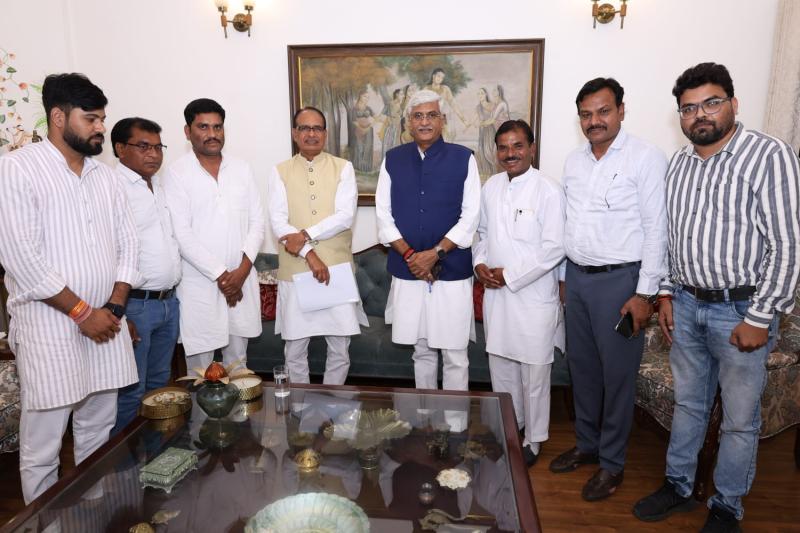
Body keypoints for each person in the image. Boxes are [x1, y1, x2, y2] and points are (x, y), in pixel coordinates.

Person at [633, 63, 800, 532]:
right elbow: (672, 238)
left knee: (739, 420)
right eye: (688, 108)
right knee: (689, 404)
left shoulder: (769, 156)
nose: (699, 115)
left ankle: (727, 506)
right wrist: (666, 293)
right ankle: (679, 485)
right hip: (686, 306)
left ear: (733, 103)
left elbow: (788, 245)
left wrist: (760, 317)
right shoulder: (679, 164)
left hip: (741, 310)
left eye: (711, 103)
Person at [0, 73, 140, 503]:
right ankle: (44, 526)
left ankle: (90, 515)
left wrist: (114, 308)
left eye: (102, 118)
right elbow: (21, 257)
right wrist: (83, 312)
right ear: (58, 117)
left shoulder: (106, 177)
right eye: (91, 119)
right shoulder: (18, 168)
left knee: (97, 429)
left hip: (106, 324)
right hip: (49, 327)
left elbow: (129, 245)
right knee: (43, 445)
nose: (100, 127)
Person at [549, 77, 668, 501]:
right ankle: (587, 445)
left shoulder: (646, 158)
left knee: (617, 378)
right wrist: (564, 279)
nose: (594, 121)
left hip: (621, 283)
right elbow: (569, 224)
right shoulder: (574, 161)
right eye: (586, 114)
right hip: (578, 279)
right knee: (582, 370)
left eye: (603, 111)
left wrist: (645, 294)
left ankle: (612, 464)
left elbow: (657, 229)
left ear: (621, 110)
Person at [473, 119, 565, 466]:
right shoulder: (491, 187)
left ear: (532, 149)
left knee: (535, 374)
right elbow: (481, 234)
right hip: (497, 296)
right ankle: (510, 428)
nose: (510, 153)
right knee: (501, 367)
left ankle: (534, 440)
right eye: (503, 147)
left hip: (533, 297)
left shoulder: (548, 190)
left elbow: (555, 248)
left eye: (517, 146)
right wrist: (480, 264)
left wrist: (510, 275)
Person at [375, 89, 480, 391]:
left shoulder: (464, 158)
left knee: (455, 353)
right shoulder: (392, 159)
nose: (424, 122)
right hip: (408, 270)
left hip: (452, 270)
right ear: (408, 122)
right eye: (418, 116)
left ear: (442, 119)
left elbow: (471, 216)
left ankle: (455, 418)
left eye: (431, 115)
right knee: (421, 350)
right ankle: (424, 416)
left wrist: (435, 253)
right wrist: (413, 257)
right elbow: (383, 215)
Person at [268, 106, 368, 384]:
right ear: (294, 133)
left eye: (317, 128)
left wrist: (305, 234)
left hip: (336, 269)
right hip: (295, 270)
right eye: (304, 128)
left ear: (325, 133)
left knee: (339, 348)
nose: (311, 134)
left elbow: (344, 217)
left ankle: (334, 400)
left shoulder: (343, 168)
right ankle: (300, 403)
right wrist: (309, 253)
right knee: (295, 348)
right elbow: (278, 222)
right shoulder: (280, 171)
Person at [164, 98, 264, 369]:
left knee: (239, 364)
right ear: (188, 132)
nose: (212, 134)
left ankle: (242, 402)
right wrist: (222, 276)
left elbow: (257, 222)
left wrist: (240, 274)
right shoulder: (176, 173)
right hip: (200, 284)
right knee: (200, 368)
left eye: (217, 127)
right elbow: (181, 234)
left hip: (241, 281)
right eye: (203, 127)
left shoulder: (241, 168)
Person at [110, 117, 181, 434]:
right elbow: (106, 255)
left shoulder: (157, 186)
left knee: (158, 388)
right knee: (130, 391)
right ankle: (123, 460)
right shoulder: (113, 188)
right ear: (120, 148)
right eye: (143, 146)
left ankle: (153, 454)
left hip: (167, 304)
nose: (153, 154)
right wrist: (120, 313)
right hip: (135, 306)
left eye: (157, 147)